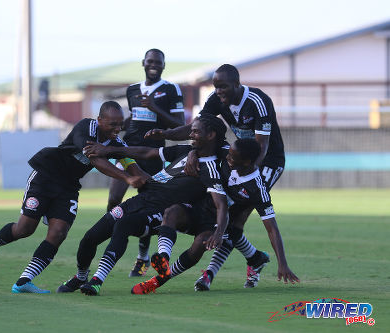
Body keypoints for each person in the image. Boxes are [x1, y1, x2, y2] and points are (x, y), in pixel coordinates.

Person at [0, 101, 147, 293]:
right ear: (100, 120)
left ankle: (23, 281)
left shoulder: (117, 143)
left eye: (120, 124)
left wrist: (156, 183)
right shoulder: (87, 127)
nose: (117, 128)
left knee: (59, 233)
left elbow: (135, 168)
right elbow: (95, 159)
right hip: (46, 175)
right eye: (112, 124)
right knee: (25, 229)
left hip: (68, 186)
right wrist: (126, 178)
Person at [145, 63, 286, 288]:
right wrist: (172, 136)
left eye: (223, 87)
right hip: (240, 162)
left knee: (235, 219)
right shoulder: (216, 99)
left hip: (265, 162)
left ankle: (212, 272)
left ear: (237, 84)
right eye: (216, 86)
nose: (219, 92)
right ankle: (254, 259)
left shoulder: (258, 102)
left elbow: (262, 146)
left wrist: (246, 177)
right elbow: (197, 127)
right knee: (225, 217)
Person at [56, 114, 227, 295]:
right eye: (191, 131)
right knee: (90, 238)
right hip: (143, 198)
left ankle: (97, 280)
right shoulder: (186, 151)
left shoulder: (212, 169)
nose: (190, 135)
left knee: (123, 226)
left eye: (195, 132)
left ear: (211, 135)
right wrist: (109, 151)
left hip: (159, 210)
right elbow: (147, 152)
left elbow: (221, 203)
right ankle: (81, 276)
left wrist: (219, 232)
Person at [132, 138, 299, 294]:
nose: (227, 158)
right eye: (228, 154)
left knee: (200, 244)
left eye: (233, 157)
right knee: (171, 212)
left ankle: (158, 280)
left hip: (216, 223)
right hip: (197, 207)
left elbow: (272, 229)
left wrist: (282, 263)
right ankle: (163, 259)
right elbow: (202, 145)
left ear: (247, 162)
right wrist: (192, 153)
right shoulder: (226, 152)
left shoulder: (257, 189)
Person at [108, 48, 186, 278]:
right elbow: (134, 118)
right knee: (114, 197)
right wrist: (115, 126)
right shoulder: (132, 90)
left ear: (163, 65)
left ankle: (142, 257)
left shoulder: (171, 90)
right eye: (150, 61)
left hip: (154, 153)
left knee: (147, 205)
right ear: (143, 62)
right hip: (129, 149)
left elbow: (179, 123)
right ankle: (111, 239)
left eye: (158, 62)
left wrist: (155, 107)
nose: (154, 65)